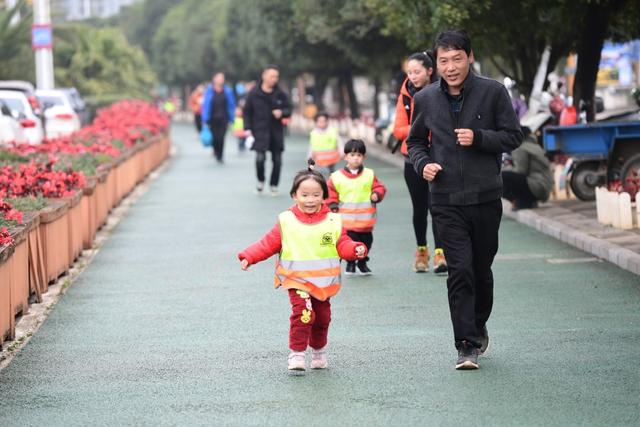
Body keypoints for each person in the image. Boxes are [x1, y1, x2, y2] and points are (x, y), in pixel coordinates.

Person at [407, 30, 523, 370]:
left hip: (485, 197)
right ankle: (466, 344)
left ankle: (477, 321)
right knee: (459, 270)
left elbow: (513, 135)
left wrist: (480, 138)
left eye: (457, 58)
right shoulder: (426, 98)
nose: (451, 66)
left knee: (480, 269)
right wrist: (423, 164)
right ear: (436, 64)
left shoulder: (492, 93)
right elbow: (416, 142)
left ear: (469, 57)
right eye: (443, 60)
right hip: (444, 199)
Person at [238, 160, 367, 372]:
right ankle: (296, 354)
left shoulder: (333, 221)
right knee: (304, 313)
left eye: (316, 195)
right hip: (296, 279)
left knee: (322, 317)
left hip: (323, 282)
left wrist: (355, 249)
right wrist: (249, 256)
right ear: (294, 196)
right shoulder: (286, 221)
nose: (310, 200)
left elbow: (343, 244)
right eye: (304, 195)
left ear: (324, 196)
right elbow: (268, 244)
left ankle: (318, 351)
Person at [393, 51, 447, 274]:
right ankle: (421, 250)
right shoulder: (405, 95)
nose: (413, 76)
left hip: (439, 158)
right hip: (412, 159)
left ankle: (440, 253)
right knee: (420, 207)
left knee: (437, 207)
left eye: (417, 72)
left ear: (429, 71)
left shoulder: (443, 91)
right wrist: (422, 128)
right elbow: (398, 130)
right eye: (409, 72)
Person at [326, 139, 386, 276]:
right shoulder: (336, 177)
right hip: (346, 222)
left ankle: (362, 262)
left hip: (366, 222)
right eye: (352, 155)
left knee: (366, 243)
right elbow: (330, 193)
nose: (356, 158)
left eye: (359, 155)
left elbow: (379, 187)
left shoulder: (369, 174)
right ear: (346, 156)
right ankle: (351, 263)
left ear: (363, 157)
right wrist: (333, 206)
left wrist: (377, 194)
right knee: (349, 244)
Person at [243, 65, 292, 195]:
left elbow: (289, 109)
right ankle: (260, 180)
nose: (274, 79)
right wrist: (247, 128)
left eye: (276, 76)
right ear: (264, 76)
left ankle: (274, 185)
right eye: (272, 76)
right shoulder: (254, 93)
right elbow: (247, 112)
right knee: (260, 159)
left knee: (277, 160)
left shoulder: (280, 93)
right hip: (259, 131)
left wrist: (282, 112)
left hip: (276, 131)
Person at [502, 127, 553, 209]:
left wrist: (503, 169)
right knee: (505, 176)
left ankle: (523, 201)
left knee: (499, 177)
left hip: (537, 186)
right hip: (544, 187)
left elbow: (520, 171)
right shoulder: (534, 145)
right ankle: (528, 200)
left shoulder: (521, 148)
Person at [201, 72, 236, 163]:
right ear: (214, 79)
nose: (221, 80)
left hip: (224, 119)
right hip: (212, 119)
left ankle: (220, 155)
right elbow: (205, 105)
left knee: (221, 138)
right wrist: (204, 118)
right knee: (215, 138)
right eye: (219, 78)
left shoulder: (227, 91)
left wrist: (232, 117)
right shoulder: (209, 91)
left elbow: (232, 105)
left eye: (222, 78)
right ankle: (216, 150)